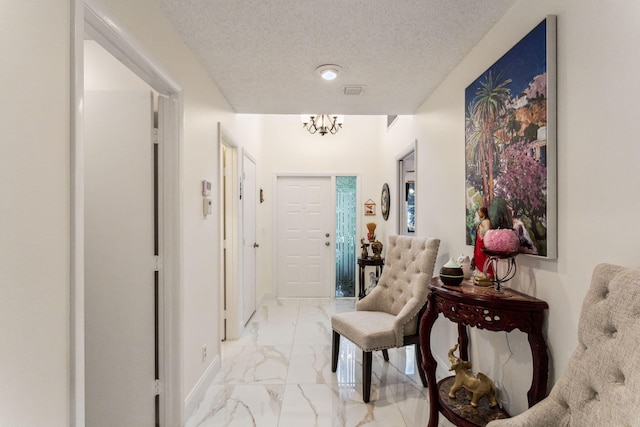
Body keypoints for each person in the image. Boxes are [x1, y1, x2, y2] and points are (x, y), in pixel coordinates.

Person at [473, 207, 494, 278]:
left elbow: (487, 231)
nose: (479, 213)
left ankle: (487, 273)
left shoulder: (486, 221)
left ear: (483, 213)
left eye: (480, 212)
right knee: (478, 256)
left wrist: (480, 227)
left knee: (483, 257)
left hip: (483, 242)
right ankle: (481, 272)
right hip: (479, 241)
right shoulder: (483, 221)